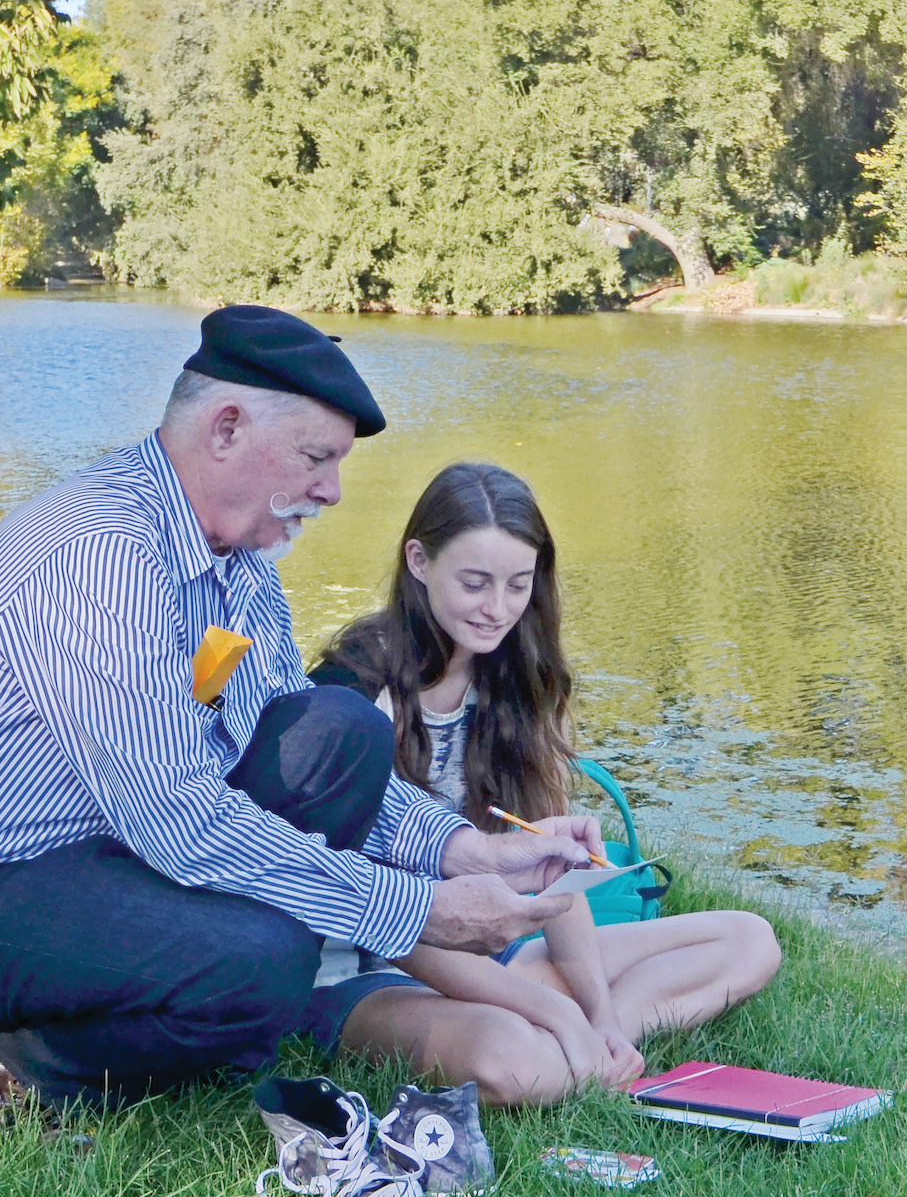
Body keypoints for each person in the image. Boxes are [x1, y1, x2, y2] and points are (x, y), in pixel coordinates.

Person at [0, 307, 598, 1114]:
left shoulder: (240, 565)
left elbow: (279, 741)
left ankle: (208, 997)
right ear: (226, 429)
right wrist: (421, 909)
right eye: (315, 457)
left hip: (92, 848)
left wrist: (469, 853)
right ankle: (10, 1059)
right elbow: (181, 819)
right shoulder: (103, 555)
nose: (331, 489)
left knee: (340, 735)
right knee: (259, 965)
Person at [309, 462, 781, 1106]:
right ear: (419, 561)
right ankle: (558, 1037)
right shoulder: (357, 695)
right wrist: (552, 1011)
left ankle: (607, 1042)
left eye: (517, 584)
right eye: (475, 583)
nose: (497, 609)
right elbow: (373, 915)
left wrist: (600, 1016)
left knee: (748, 940)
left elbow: (562, 880)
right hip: (370, 972)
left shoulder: (516, 682)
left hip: (489, 959)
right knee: (519, 1065)